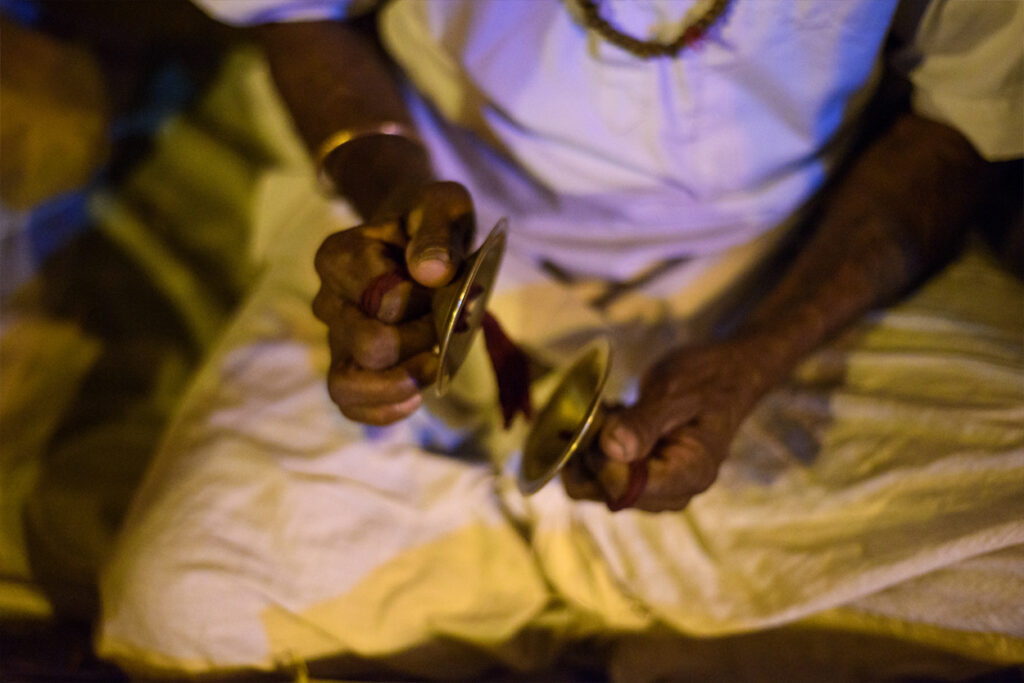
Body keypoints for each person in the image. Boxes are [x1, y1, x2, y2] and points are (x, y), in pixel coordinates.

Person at [197, 0, 1021, 512]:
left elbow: (966, 112)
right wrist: (391, 196)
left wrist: (761, 355)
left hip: (792, 254)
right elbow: (294, 8)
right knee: (187, 601)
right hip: (441, 191)